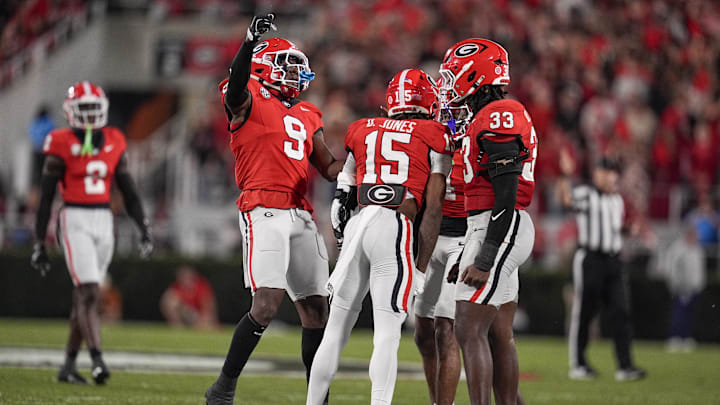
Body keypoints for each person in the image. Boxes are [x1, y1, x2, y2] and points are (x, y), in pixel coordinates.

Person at [204, 14, 344, 405]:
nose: (296, 75)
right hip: (263, 206)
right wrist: (248, 43)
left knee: (317, 310)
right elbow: (234, 88)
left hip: (300, 213)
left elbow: (328, 167)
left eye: (300, 67)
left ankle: (318, 400)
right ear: (264, 66)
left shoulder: (307, 113)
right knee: (266, 304)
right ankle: (224, 387)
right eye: (289, 66)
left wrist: (359, 161)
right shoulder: (246, 95)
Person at [307, 68, 453, 405]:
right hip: (396, 226)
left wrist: (345, 240)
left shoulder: (362, 129)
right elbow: (432, 210)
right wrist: (418, 269)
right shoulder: (434, 133)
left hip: (360, 222)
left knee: (335, 330)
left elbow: (341, 201)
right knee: (386, 334)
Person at [31, 80, 153, 385]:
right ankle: (98, 360)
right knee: (88, 292)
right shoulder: (59, 142)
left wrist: (144, 228)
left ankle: (68, 366)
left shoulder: (114, 139)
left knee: (83, 299)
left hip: (104, 219)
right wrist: (39, 242)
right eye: (81, 109)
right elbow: (46, 198)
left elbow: (129, 191)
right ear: (71, 111)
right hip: (74, 217)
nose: (87, 115)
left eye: (92, 108)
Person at [438, 38, 537, 405]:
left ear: (475, 73)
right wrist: (470, 249)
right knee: (498, 332)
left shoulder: (500, 113)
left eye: (453, 74)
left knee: (467, 326)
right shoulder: (486, 115)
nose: (449, 84)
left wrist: (485, 256)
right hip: (490, 226)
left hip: (500, 225)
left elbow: (506, 193)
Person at [558, 157, 647, 381]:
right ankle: (578, 363)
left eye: (611, 172)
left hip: (613, 260)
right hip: (590, 259)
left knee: (621, 311)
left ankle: (625, 366)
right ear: (597, 174)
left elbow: (615, 229)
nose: (608, 176)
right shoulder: (587, 194)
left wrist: (628, 229)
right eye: (603, 171)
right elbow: (566, 201)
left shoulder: (617, 200)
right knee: (585, 313)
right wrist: (565, 176)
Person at [413, 137, 466, 405]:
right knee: (422, 331)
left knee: (446, 329)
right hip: (431, 238)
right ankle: (436, 399)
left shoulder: (478, 142)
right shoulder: (426, 141)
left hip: (464, 239)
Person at [664, 226, 706, 352]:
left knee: (690, 314)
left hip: (695, 288)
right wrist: (676, 284)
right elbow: (672, 268)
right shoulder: (678, 249)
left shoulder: (698, 249)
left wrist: (699, 285)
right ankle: (675, 337)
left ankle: (686, 337)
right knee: (679, 313)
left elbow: (699, 270)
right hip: (681, 287)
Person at [28, 104, 56, 185]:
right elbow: (52, 133)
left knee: (37, 173)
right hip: (47, 151)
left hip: (37, 151)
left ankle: (38, 189)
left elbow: (31, 134)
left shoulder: (35, 122)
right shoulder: (49, 121)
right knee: (48, 172)